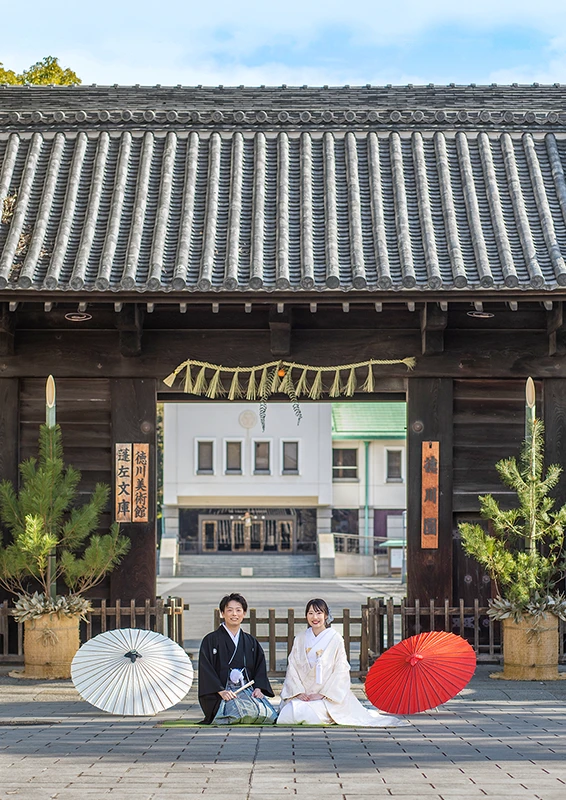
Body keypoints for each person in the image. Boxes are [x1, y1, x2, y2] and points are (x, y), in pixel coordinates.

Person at [277, 598, 409, 727]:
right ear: (306, 616)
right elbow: (292, 667)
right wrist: (299, 692)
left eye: (319, 613)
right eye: (310, 613)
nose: (314, 617)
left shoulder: (335, 638)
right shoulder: (300, 638)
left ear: (326, 615)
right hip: (302, 693)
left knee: (309, 713)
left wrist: (323, 694)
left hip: (326, 696)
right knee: (289, 712)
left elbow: (341, 670)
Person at [198, 592, 276, 724]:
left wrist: (258, 688)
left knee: (269, 715)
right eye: (230, 610)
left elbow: (259, 667)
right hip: (222, 693)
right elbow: (206, 670)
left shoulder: (250, 641)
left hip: (246, 688)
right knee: (241, 713)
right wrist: (221, 690)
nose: (234, 614)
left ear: (244, 613)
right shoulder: (210, 640)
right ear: (222, 613)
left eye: (238, 610)